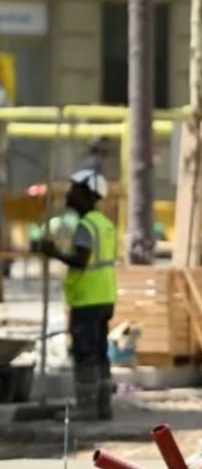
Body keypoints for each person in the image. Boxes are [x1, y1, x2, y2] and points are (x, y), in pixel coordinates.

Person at [34, 169, 117, 421]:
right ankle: (103, 408)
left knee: (85, 354)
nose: (69, 195)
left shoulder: (86, 226)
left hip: (87, 299)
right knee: (100, 353)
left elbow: (80, 261)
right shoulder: (104, 223)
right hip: (104, 297)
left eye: (74, 189)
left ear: (87, 193)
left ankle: (86, 410)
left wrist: (52, 251)